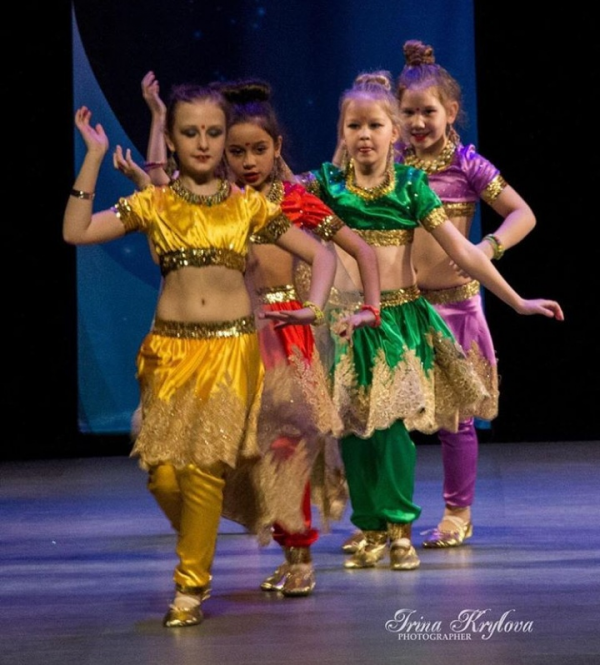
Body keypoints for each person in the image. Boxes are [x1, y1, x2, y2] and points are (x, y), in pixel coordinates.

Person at [63, 83, 339, 628]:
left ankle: (190, 588)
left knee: (206, 469)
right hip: (168, 353)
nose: (205, 143)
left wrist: (314, 307)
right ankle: (200, 532)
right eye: (191, 133)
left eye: (214, 132)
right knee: (165, 476)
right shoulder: (154, 203)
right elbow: (76, 230)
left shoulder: (248, 207)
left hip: (232, 351)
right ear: (171, 139)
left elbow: (321, 254)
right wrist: (93, 156)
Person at [293, 71, 563, 571]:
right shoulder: (334, 183)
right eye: (354, 126)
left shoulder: (423, 181)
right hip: (354, 322)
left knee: (426, 421)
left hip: (413, 317)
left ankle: (417, 520)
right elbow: (278, 193)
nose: (367, 134)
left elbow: (468, 248)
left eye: (377, 124)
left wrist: (515, 298)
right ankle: (370, 524)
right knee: (355, 424)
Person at [133, 73, 381, 597]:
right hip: (230, 338)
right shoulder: (217, 202)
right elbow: (158, 192)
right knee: (232, 451)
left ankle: (299, 555)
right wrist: (157, 120)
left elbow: (355, 249)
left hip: (286, 336)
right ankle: (221, 540)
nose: (248, 161)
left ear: (278, 147)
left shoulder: (292, 201)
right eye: (238, 150)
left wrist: (344, 306)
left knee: (288, 447)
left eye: (259, 149)